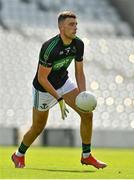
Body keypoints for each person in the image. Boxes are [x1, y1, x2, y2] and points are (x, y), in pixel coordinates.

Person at [11, 11, 107, 169]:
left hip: (64, 83)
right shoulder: (49, 48)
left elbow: (79, 72)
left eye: (76, 24)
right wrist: (59, 99)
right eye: (71, 24)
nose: (75, 28)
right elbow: (42, 78)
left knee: (87, 114)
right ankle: (18, 155)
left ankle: (86, 156)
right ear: (61, 27)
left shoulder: (78, 44)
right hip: (43, 89)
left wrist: (83, 94)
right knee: (38, 127)